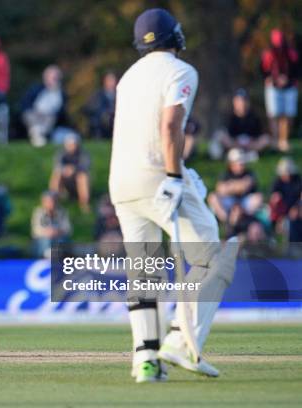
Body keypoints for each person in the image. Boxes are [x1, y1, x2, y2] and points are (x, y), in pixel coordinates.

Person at [109, 8, 238, 382]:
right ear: (175, 37)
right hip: (157, 176)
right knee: (215, 256)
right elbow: (170, 124)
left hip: (121, 182)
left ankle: (146, 362)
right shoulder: (181, 70)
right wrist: (173, 174)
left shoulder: (127, 77)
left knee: (145, 273)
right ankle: (182, 340)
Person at [261, 29, 299, 152]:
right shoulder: (268, 54)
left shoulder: (291, 53)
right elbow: (263, 69)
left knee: (287, 115)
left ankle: (283, 141)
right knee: (274, 114)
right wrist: (270, 78)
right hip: (273, 87)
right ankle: (274, 141)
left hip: (289, 87)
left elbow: (297, 68)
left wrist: (289, 79)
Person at [207, 148, 263, 223]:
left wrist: (230, 185)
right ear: (232, 164)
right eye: (239, 162)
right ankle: (225, 219)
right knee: (212, 197)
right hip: (230, 200)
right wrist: (238, 185)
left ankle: (244, 217)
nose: (242, 164)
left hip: (244, 201)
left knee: (258, 198)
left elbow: (244, 187)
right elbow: (220, 190)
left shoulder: (249, 173)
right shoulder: (226, 174)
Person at [212, 89, 270, 159]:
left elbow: (259, 135)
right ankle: (238, 154)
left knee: (266, 139)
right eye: (239, 100)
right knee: (219, 135)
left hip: (250, 144)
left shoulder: (254, 116)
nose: (242, 103)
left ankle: (245, 154)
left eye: (244, 100)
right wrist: (236, 143)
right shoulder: (229, 116)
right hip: (235, 143)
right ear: (234, 102)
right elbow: (226, 134)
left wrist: (251, 143)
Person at [20, 65, 68, 147]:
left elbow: (61, 110)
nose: (54, 79)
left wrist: (55, 91)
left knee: (50, 119)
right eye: (52, 77)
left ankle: (38, 136)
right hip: (34, 113)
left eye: (56, 77)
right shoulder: (36, 89)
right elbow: (25, 104)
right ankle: (37, 135)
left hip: (49, 116)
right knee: (29, 116)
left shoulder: (60, 93)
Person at [49, 132, 91, 212]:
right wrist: (65, 169)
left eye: (73, 144)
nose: (71, 146)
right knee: (56, 175)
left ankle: (84, 203)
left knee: (82, 177)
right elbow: (57, 165)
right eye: (69, 144)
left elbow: (86, 166)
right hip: (65, 180)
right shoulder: (60, 153)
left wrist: (74, 169)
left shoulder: (84, 154)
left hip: (78, 180)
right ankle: (53, 201)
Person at [31, 191, 71, 258]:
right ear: (43, 202)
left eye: (53, 201)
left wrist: (57, 231)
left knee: (62, 240)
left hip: (58, 237)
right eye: (49, 201)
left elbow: (68, 229)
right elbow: (35, 230)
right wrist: (47, 232)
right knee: (46, 241)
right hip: (43, 239)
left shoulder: (63, 212)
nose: (52, 203)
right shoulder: (38, 213)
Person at [269, 157, 301, 230]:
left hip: (296, 208)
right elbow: (273, 199)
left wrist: (297, 207)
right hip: (283, 211)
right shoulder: (277, 182)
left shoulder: (298, 181)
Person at [83, 71, 117, 139]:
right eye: (109, 80)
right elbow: (89, 108)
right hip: (100, 122)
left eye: (113, 80)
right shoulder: (97, 95)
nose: (111, 83)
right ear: (105, 81)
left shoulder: (119, 95)